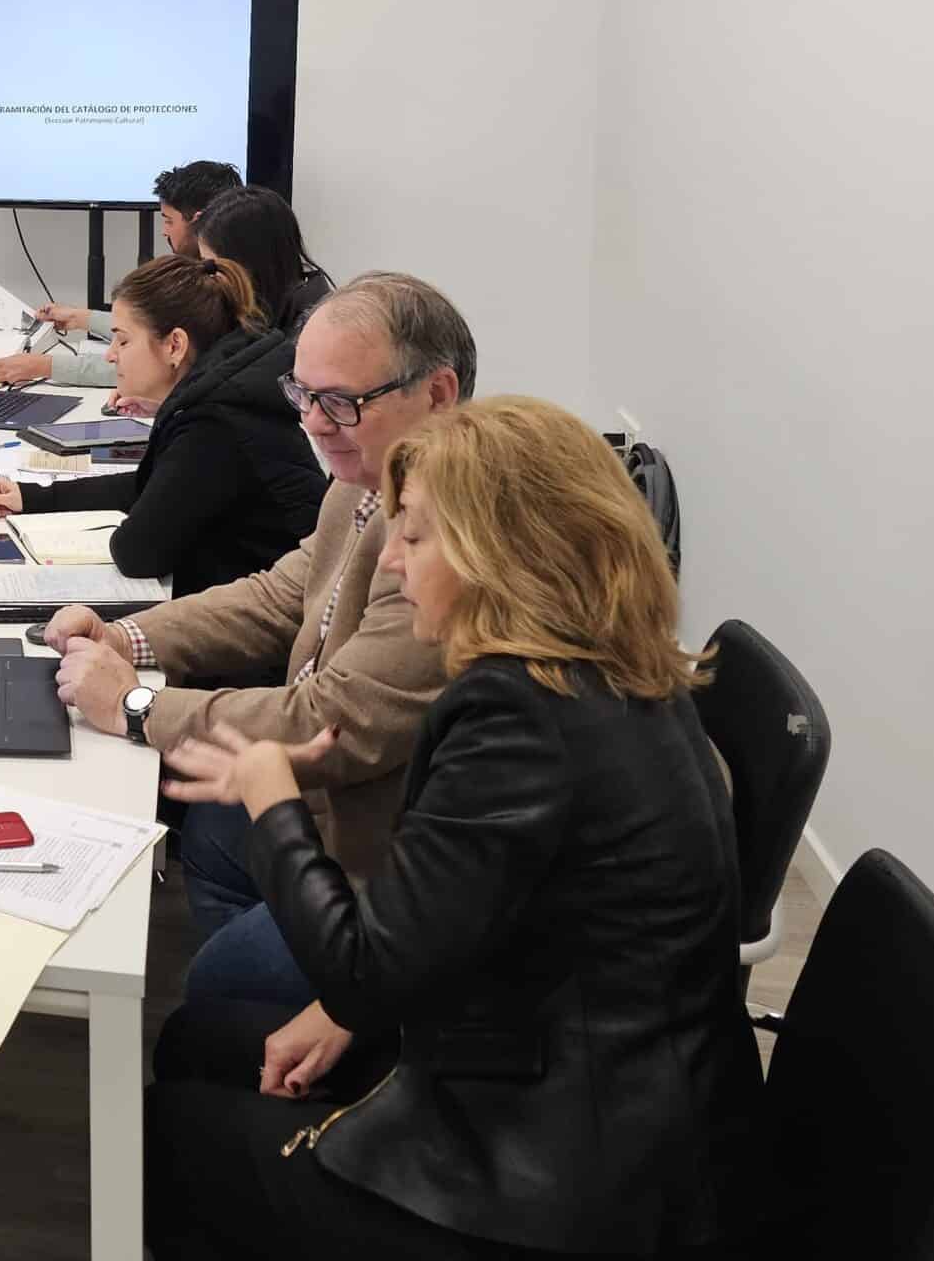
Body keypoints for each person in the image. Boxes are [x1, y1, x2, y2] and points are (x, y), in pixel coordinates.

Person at [145, 397, 760, 1259]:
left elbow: (361, 968)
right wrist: (354, 1011)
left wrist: (273, 801)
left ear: (502, 555)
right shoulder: (616, 668)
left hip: (558, 1192)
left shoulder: (517, 719)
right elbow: (464, 915)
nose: (392, 561)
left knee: (164, 1134)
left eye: (415, 537)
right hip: (613, 1109)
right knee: (196, 1038)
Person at [43, 272, 471, 1010]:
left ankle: (310, 1013)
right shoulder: (366, 476)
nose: (314, 424)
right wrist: (124, 635)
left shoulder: (450, 537)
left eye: (341, 402)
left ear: (437, 393)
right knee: (213, 834)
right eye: (303, 396)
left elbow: (331, 722)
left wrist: (136, 706)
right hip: (325, 805)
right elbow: (279, 596)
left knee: (210, 994)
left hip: (385, 870)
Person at [0, 256, 325, 600]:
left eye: (123, 340)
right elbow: (153, 485)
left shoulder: (214, 422)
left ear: (175, 346)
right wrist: (33, 498)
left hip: (274, 624)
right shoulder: (224, 388)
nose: (111, 355)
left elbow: (136, 553)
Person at [0, 158, 243, 392]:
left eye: (168, 220)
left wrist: (43, 366)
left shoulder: (213, 292)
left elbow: (149, 365)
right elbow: (151, 334)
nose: (164, 232)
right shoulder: (229, 275)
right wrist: (80, 318)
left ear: (199, 221)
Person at [194, 186, 332, 335]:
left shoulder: (311, 334)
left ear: (248, 264)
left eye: (212, 268)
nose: (208, 278)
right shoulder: (275, 310)